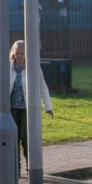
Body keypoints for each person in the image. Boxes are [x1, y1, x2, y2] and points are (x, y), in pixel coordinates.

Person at [9, 40, 53, 174]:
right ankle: (15, 168)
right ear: (13, 53)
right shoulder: (8, 67)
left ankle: (31, 167)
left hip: (27, 108)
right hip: (11, 109)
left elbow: (42, 87)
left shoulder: (33, 67)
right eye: (17, 53)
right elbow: (2, 88)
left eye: (22, 53)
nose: (20, 56)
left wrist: (48, 106)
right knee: (12, 138)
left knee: (25, 136)